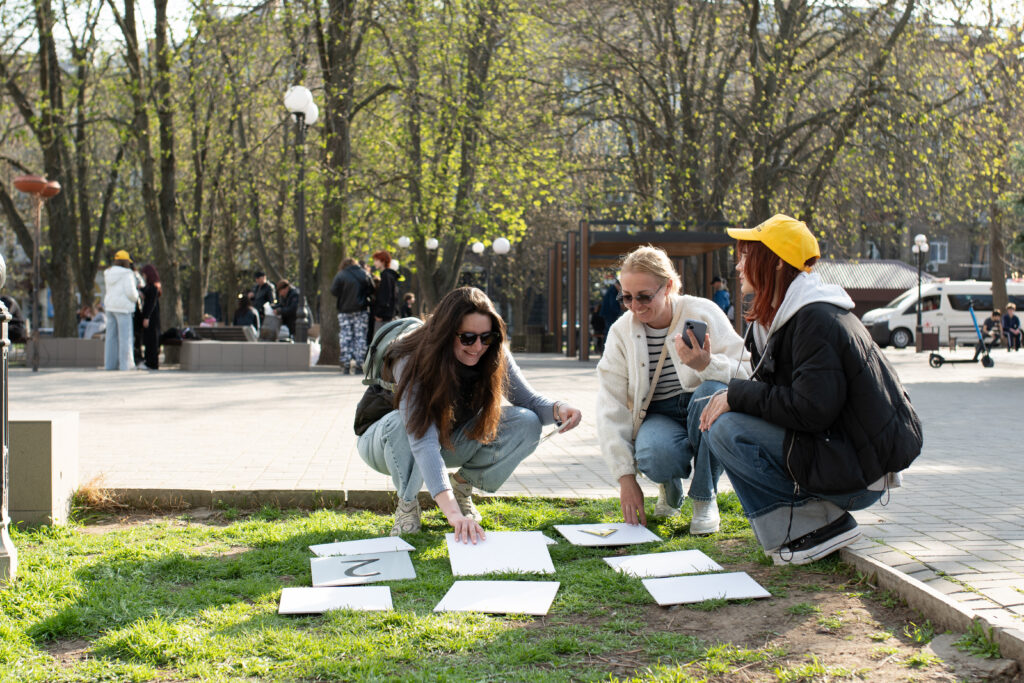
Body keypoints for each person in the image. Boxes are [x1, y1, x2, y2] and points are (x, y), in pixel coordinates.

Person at [692, 214, 922, 565]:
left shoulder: (815, 319)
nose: (737, 266)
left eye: (746, 256)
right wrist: (729, 390)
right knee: (718, 416)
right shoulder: (784, 318)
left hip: (858, 475)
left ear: (776, 263)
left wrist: (736, 395)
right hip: (835, 455)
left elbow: (811, 409)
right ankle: (798, 529)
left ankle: (821, 526)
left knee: (725, 428)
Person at [357, 286, 582, 542]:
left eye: (486, 337)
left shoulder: (491, 349)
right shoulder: (409, 357)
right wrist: (453, 515)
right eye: (467, 338)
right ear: (444, 333)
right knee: (401, 422)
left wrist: (559, 409)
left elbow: (528, 401)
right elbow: (422, 440)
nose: (478, 347)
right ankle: (407, 504)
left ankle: (461, 486)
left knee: (527, 421)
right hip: (385, 443)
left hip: (446, 438)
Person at [596, 246, 749, 535]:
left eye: (644, 296)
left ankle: (705, 498)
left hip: (703, 404)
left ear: (667, 286)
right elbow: (610, 405)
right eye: (626, 297)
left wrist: (707, 364)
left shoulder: (702, 311)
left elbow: (746, 372)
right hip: (659, 413)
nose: (635, 306)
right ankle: (670, 487)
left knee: (710, 393)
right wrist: (626, 479)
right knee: (653, 454)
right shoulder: (620, 332)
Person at [330, 257, 374, 374]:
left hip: (344, 310)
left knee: (345, 336)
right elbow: (372, 289)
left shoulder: (341, 275)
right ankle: (360, 364)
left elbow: (333, 291)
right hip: (361, 310)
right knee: (360, 337)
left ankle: (346, 363)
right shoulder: (364, 273)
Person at [103, 249, 140, 370]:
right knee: (125, 338)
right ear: (126, 262)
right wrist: (137, 297)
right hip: (123, 308)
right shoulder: (127, 274)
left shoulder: (108, 273)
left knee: (110, 338)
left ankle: (109, 365)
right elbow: (131, 293)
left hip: (110, 307)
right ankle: (125, 366)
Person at [139, 264, 161, 370]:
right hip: (151, 316)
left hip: (151, 316)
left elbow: (151, 303)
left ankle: (151, 363)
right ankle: (149, 361)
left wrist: (146, 317)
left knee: (151, 339)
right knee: (149, 339)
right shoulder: (150, 287)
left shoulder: (153, 288)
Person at [372, 250, 400, 333]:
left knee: (380, 342)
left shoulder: (386, 276)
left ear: (383, 261)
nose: (374, 263)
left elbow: (385, 296)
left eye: (376, 260)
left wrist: (379, 314)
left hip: (383, 317)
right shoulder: (389, 275)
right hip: (388, 315)